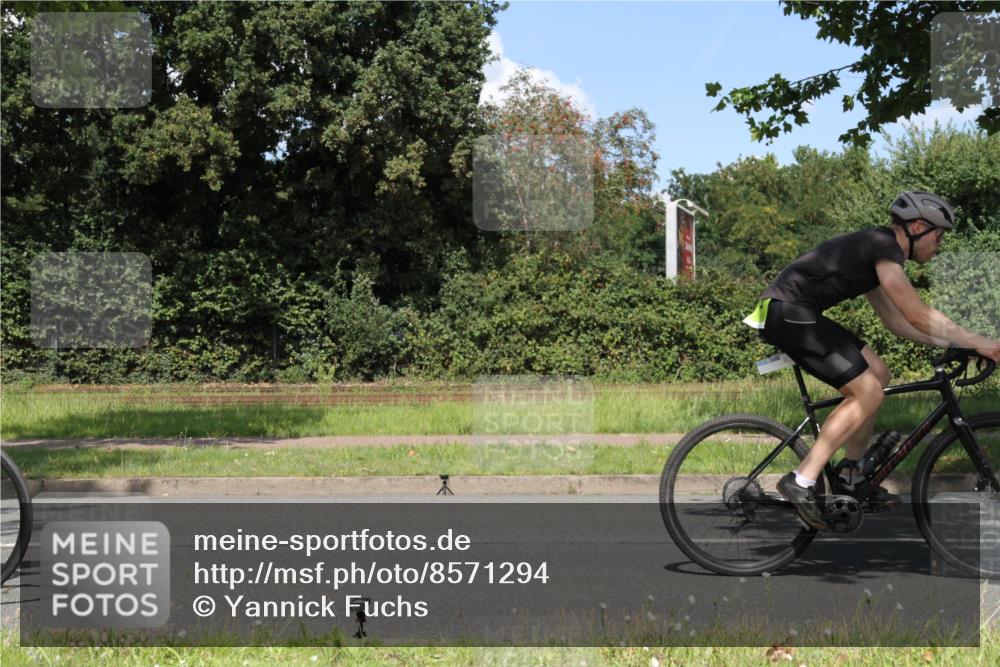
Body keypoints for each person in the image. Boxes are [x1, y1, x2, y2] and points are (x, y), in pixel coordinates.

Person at [742, 191, 1000, 530]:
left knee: (878, 374)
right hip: (788, 312)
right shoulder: (884, 247)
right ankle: (801, 479)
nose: (939, 245)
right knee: (867, 392)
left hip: (793, 313)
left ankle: (851, 474)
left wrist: (958, 345)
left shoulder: (874, 251)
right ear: (918, 227)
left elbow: (898, 322)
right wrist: (978, 341)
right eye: (939, 236)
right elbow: (917, 313)